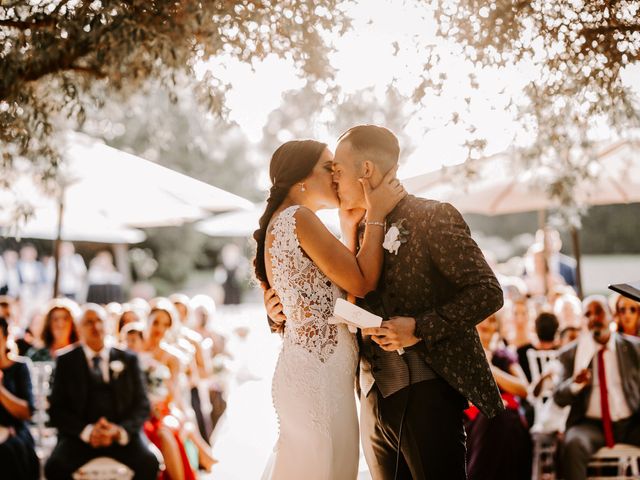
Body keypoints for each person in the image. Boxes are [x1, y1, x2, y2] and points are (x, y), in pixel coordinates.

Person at [263, 126, 505, 480]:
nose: (334, 180)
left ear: (366, 171)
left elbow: (487, 291)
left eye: (338, 171)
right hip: (372, 399)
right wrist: (279, 310)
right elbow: (332, 295)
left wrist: (420, 327)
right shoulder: (358, 229)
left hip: (428, 394)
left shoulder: (433, 216)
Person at [256, 138, 405, 480]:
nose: (337, 176)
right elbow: (362, 283)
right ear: (302, 179)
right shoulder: (299, 218)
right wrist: (377, 213)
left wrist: (350, 227)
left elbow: (337, 297)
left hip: (312, 369)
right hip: (319, 377)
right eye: (328, 168)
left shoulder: (283, 222)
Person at [44, 304, 159, 480]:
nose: (96, 327)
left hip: (121, 436)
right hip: (80, 437)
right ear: (79, 328)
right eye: (89, 322)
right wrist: (88, 432)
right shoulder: (66, 361)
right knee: (54, 467)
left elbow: (142, 405)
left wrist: (119, 431)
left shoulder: (129, 359)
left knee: (149, 462)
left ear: (108, 325)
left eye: (99, 321)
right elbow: (57, 409)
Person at [553, 295, 640, 480]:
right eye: (587, 314)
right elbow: (558, 396)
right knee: (573, 444)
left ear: (611, 315)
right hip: (591, 425)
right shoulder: (570, 354)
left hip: (631, 422)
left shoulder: (634, 349)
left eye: (598, 312)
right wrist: (575, 385)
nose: (593, 318)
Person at [465, 314, 532, 480]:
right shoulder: (463, 356)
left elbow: (523, 388)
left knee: (501, 416)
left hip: (507, 419)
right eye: (483, 318)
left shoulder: (503, 355)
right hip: (474, 418)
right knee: (492, 415)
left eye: (493, 319)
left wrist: (490, 368)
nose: (487, 323)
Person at [0, 316, 39, 480]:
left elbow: (27, 412)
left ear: (4, 337)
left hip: (15, 431)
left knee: (6, 452)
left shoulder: (20, 366)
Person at [27, 298, 80, 362]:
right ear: (48, 324)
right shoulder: (36, 354)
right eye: (55, 319)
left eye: (65, 319)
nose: (61, 324)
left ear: (72, 324)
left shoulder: (80, 355)